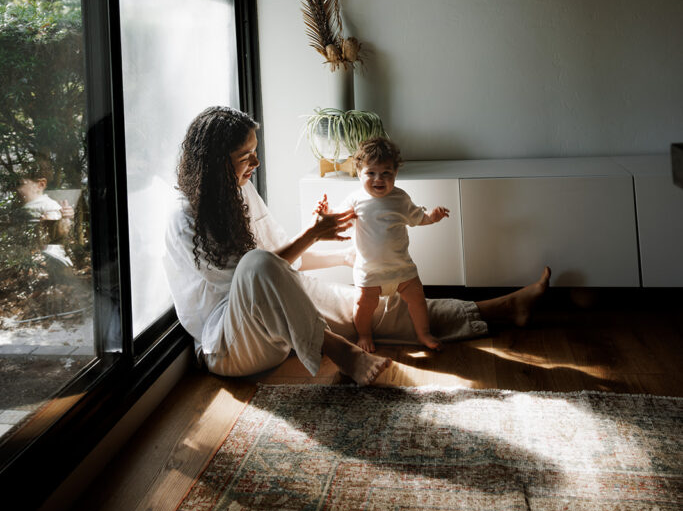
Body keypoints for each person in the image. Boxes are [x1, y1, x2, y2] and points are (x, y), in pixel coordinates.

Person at [163, 106, 551, 387]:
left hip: (276, 320)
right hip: (232, 346)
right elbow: (255, 279)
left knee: (371, 309)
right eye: (246, 157)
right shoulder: (184, 219)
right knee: (258, 265)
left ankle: (499, 309)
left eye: (255, 151)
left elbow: (283, 263)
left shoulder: (240, 191)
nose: (256, 163)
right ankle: (343, 352)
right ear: (214, 165)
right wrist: (313, 234)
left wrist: (346, 253)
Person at [332, 136, 450, 353]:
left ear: (395, 173)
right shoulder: (355, 200)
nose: (379, 178)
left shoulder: (400, 198)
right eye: (371, 173)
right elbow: (339, 220)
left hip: (402, 269)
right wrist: (325, 214)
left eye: (386, 173)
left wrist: (432, 216)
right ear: (359, 173)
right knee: (363, 305)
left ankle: (423, 334)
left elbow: (418, 218)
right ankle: (364, 334)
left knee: (418, 300)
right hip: (370, 272)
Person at [15, 161, 75, 280]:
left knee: (59, 278)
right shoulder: (23, 206)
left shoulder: (48, 205)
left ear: (41, 185)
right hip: (37, 257)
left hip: (52, 255)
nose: (18, 189)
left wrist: (52, 220)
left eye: (21, 184)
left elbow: (59, 224)